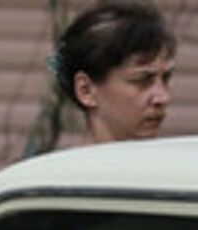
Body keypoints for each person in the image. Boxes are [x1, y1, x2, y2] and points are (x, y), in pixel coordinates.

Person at [54, 0, 176, 145]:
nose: (163, 97)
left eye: (166, 78)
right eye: (142, 80)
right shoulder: (61, 168)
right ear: (86, 90)